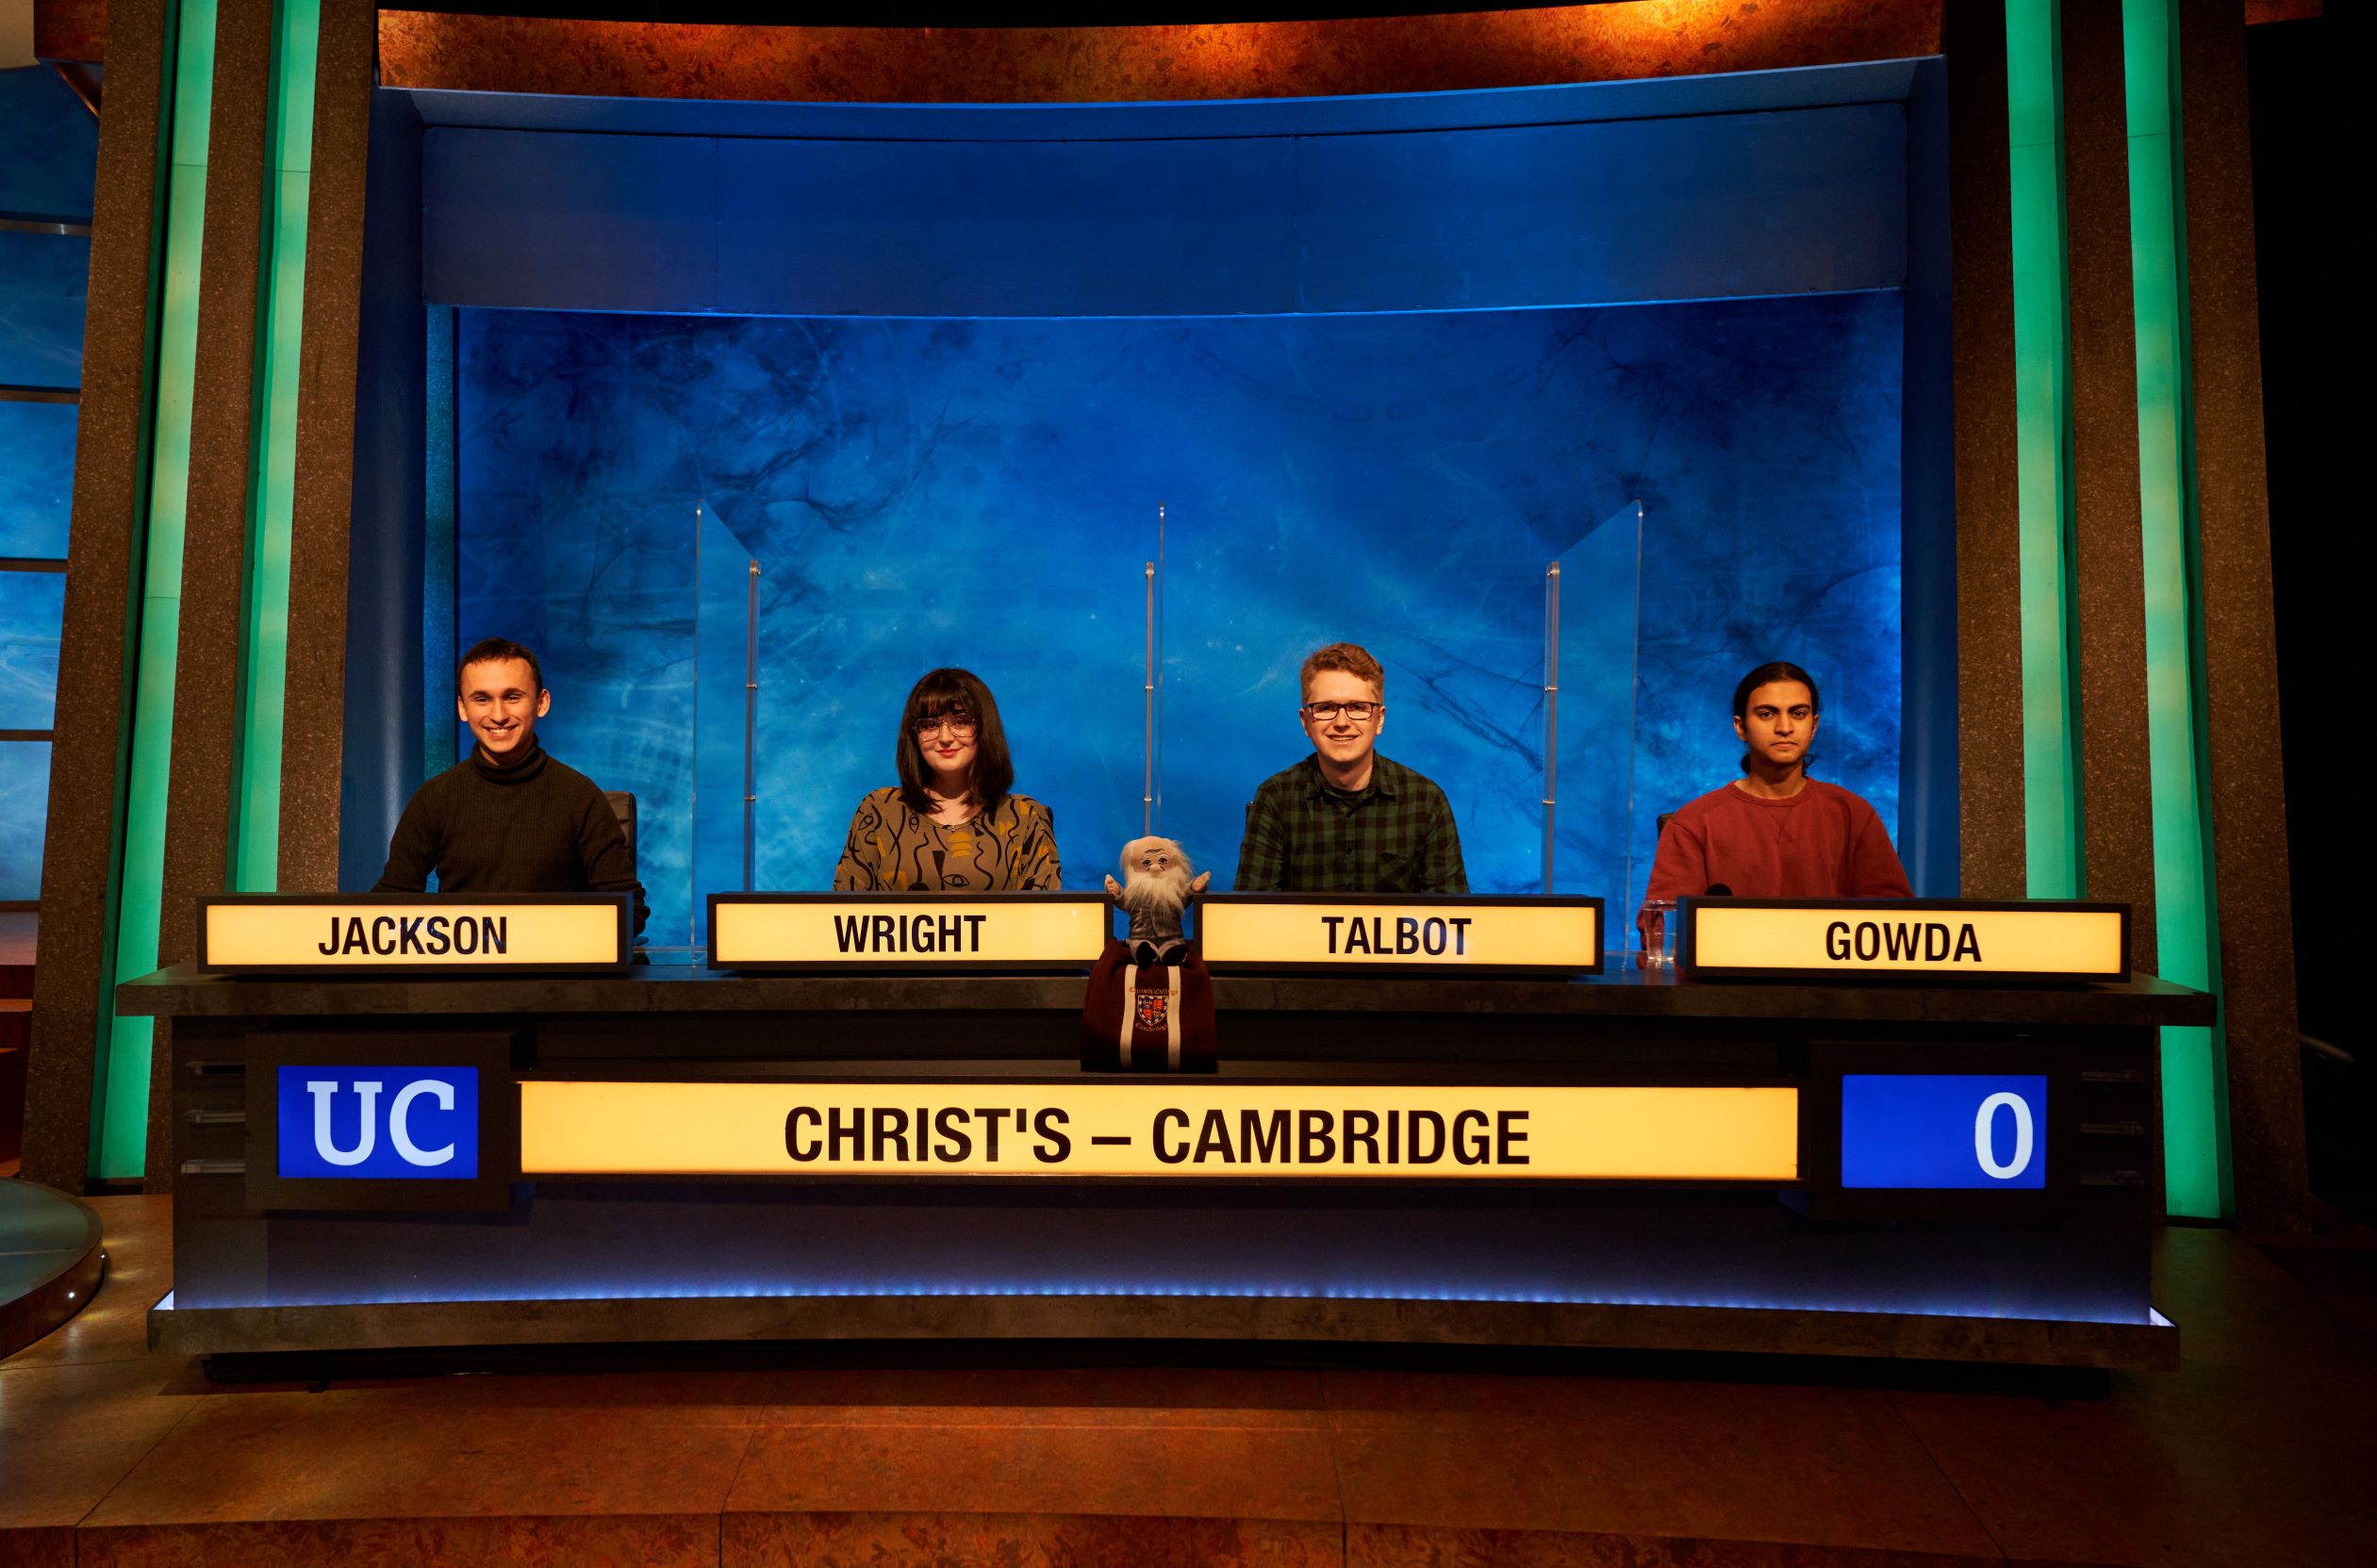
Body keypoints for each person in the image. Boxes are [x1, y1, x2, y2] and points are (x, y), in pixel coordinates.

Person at [374, 636, 649, 935]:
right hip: (463, 964)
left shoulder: (580, 796)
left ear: (541, 703)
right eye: (482, 699)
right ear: (463, 708)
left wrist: (544, 941)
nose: (498, 715)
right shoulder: (435, 798)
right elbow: (389, 906)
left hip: (555, 963)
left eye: (512, 697)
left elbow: (628, 910)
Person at [1640, 659, 1910, 945]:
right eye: (1767, 714)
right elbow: (1661, 936)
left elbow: (1896, 930)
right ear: (1740, 727)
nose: (1784, 727)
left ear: (1814, 725)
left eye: (1798, 713)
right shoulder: (1693, 823)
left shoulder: (1853, 815)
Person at [1233, 641, 1467, 894]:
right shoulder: (1275, 798)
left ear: (1379, 719)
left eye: (1357, 707)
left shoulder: (1426, 801)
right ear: (1306, 722)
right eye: (1326, 708)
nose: (1342, 722)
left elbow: (1451, 915)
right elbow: (1250, 913)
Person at [832, 668, 1061, 891]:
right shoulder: (879, 811)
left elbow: (1045, 915)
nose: (945, 737)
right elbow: (841, 912)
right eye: (930, 725)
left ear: (985, 728)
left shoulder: (1025, 817)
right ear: (914, 735)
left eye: (960, 722)